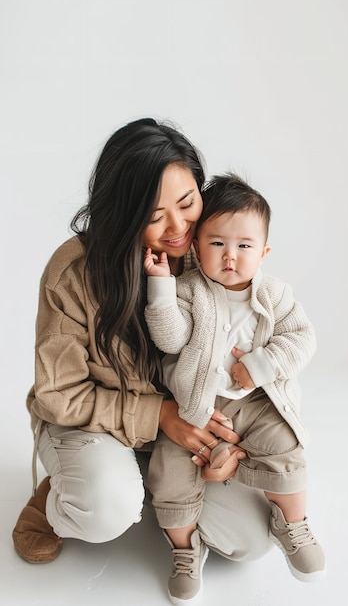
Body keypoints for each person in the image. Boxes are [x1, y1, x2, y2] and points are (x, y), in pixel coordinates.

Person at [11, 119, 276, 603]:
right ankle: (58, 500)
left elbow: (253, 356)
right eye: (155, 216)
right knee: (106, 507)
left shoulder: (217, 251)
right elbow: (58, 393)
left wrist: (231, 447)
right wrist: (158, 415)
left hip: (184, 436)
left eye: (188, 202)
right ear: (123, 212)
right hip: (89, 423)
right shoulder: (73, 272)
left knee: (252, 539)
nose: (178, 230)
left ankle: (160, 490)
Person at [144, 173, 326, 601]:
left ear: (262, 252)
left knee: (286, 442)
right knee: (171, 471)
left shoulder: (276, 295)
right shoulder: (188, 290)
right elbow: (169, 339)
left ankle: (293, 525)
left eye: (244, 246)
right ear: (195, 247)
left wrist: (263, 364)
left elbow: (303, 338)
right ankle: (186, 550)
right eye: (217, 244)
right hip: (195, 405)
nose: (231, 257)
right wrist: (160, 288)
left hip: (259, 400)